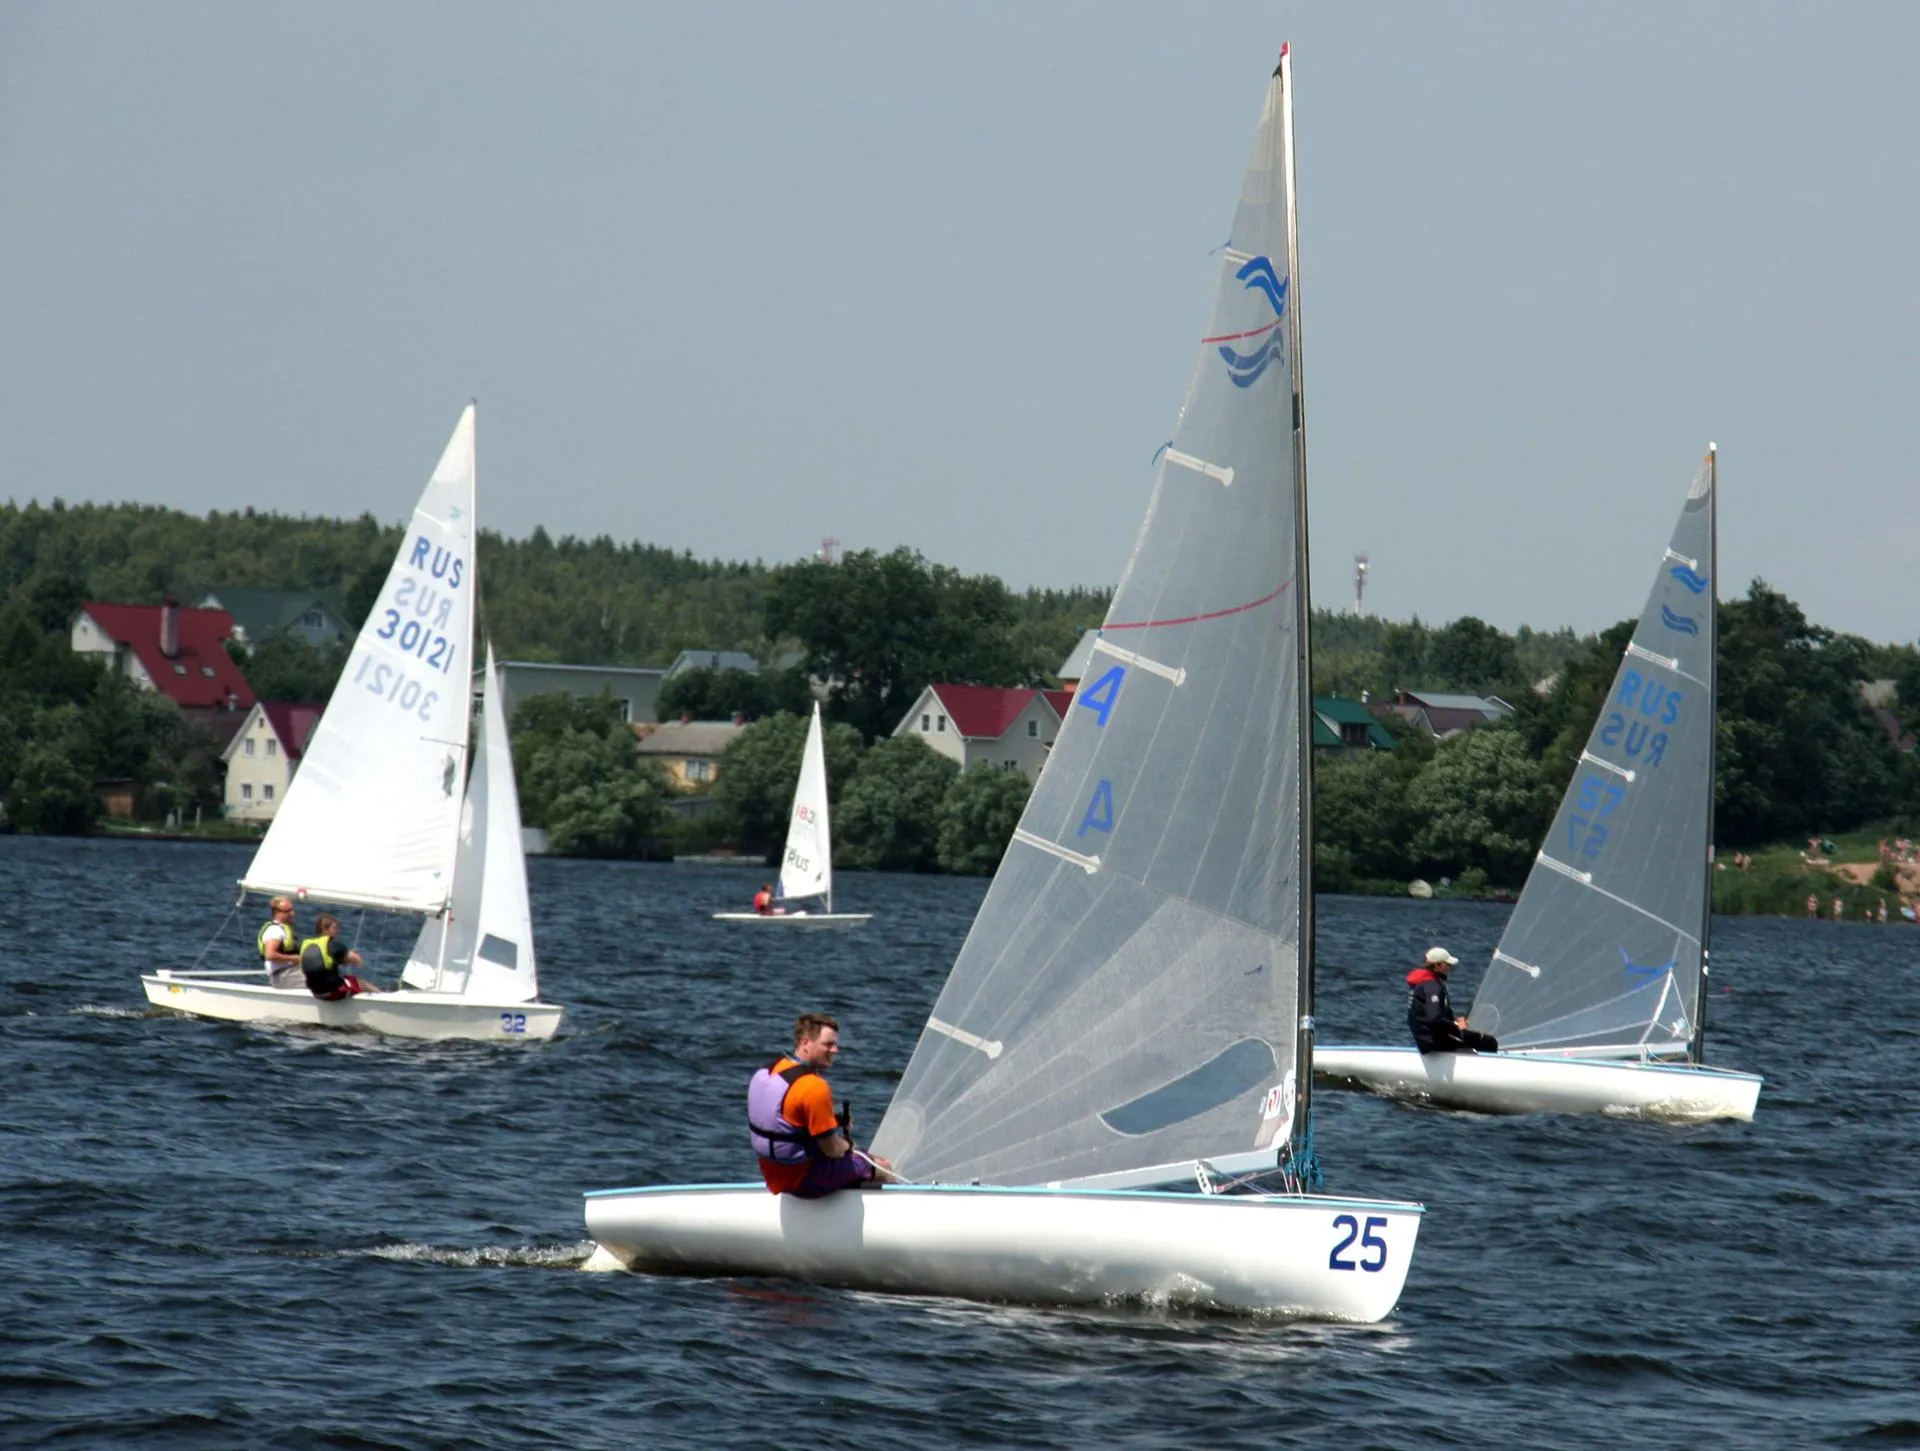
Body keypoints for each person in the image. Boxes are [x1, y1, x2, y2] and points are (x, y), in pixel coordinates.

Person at [748, 1013, 894, 1197]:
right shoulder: (814, 1087)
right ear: (805, 1043)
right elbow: (832, 1150)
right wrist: (848, 1145)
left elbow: (786, 1119)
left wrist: (835, 1121)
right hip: (803, 1181)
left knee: (859, 1157)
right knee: (881, 1165)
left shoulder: (766, 1071)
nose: (835, 1050)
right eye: (828, 1044)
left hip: (773, 1174)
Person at [1406, 947, 1498, 1054]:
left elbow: (1431, 1016)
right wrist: (1456, 1026)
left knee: (1472, 1038)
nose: (1450, 968)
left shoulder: (1422, 984)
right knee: (1490, 1042)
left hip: (1425, 1040)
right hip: (1434, 1042)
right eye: (1448, 965)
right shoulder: (1432, 987)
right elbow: (1435, 1019)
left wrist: (1453, 1021)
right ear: (1437, 965)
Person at [300, 914, 379, 1000]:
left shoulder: (307, 945)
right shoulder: (333, 944)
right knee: (362, 984)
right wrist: (350, 957)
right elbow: (358, 961)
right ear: (325, 930)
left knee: (346, 979)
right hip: (333, 992)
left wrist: (342, 960)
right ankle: (382, 997)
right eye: (335, 928)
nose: (338, 931)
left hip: (316, 992)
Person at [258, 897, 304, 990]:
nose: (292, 913)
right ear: (277, 912)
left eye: (292, 910)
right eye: (288, 911)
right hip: (283, 975)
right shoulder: (275, 930)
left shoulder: (283, 929)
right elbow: (269, 955)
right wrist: (294, 958)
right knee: (321, 981)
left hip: (290, 973)